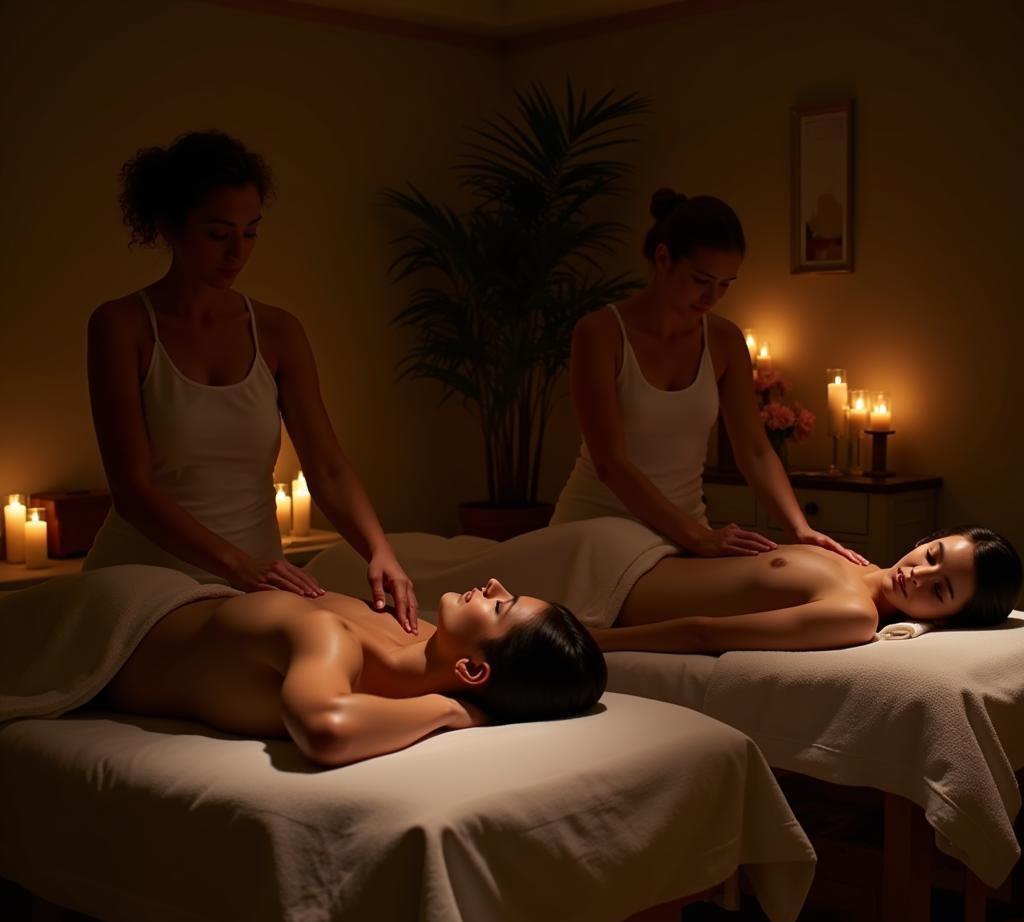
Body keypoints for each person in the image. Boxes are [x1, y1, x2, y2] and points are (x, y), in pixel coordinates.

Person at [83, 130, 419, 632]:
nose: (237, 252)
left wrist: (379, 550)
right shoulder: (121, 325)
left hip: (262, 584)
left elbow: (326, 468)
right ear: (169, 226)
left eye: (251, 232)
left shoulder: (278, 330)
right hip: (148, 582)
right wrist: (237, 565)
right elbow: (133, 491)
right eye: (218, 234)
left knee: (381, 637)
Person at [552, 188, 866, 566]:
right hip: (597, 527)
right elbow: (610, 464)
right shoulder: (599, 334)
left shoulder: (725, 340)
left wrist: (800, 529)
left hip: (685, 537)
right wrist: (698, 537)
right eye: (701, 280)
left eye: (725, 284)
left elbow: (754, 450)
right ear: (663, 258)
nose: (713, 295)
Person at [98, 578, 607, 767]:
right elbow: (327, 727)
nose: (493, 584)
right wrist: (455, 706)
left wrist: (450, 710)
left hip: (109, 638)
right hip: (121, 611)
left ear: (473, 669)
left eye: (500, 606)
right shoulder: (399, 632)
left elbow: (326, 730)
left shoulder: (339, 642)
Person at [592, 526, 1021, 654]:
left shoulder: (854, 614)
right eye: (933, 555)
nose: (919, 575)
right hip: (622, 548)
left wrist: (597, 641)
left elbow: (705, 633)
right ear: (924, 540)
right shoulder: (853, 561)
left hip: (610, 593)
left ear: (946, 618)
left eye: (940, 589)